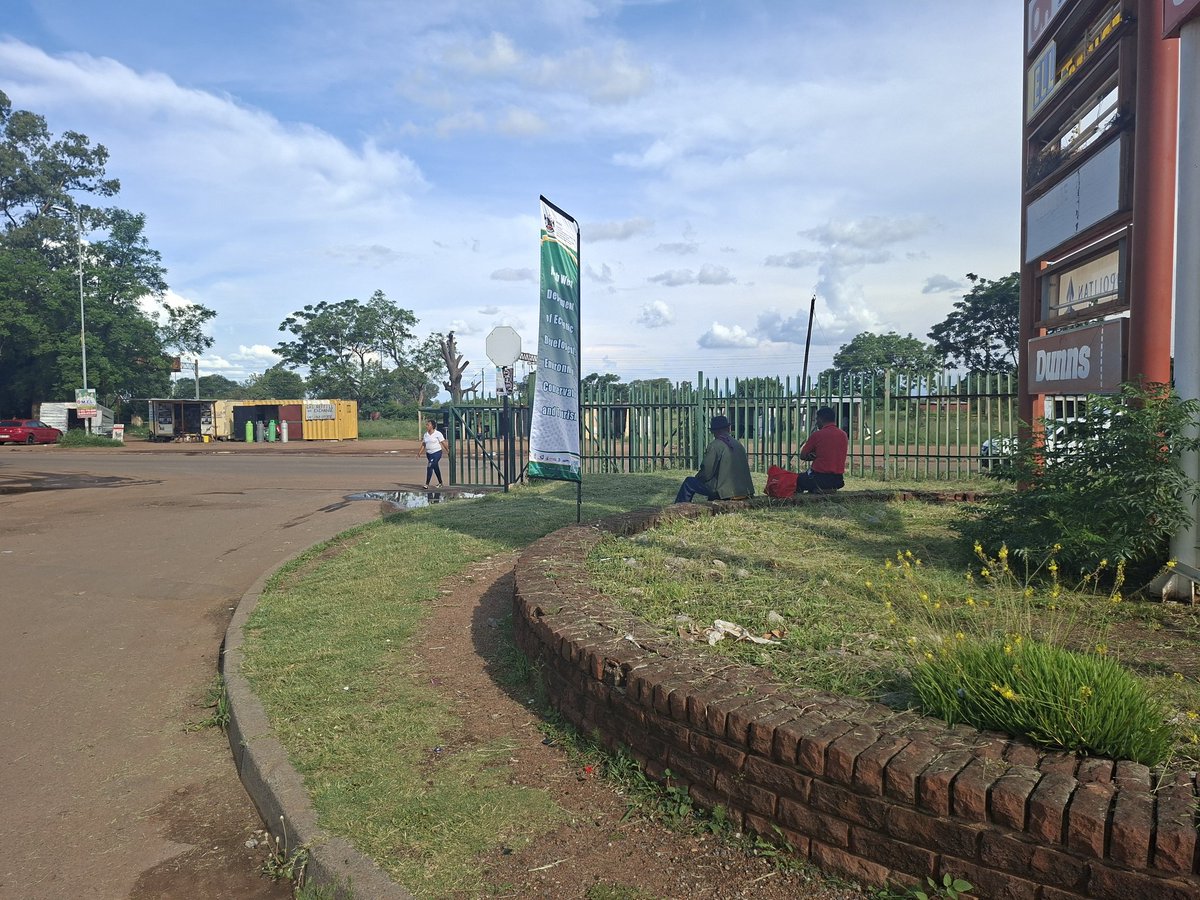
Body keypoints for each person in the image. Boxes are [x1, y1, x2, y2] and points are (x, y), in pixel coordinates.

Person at [675, 415, 755, 503]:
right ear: (728, 428)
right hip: (745, 491)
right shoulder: (738, 444)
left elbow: (706, 472)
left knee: (689, 482)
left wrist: (697, 480)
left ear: (713, 431)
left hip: (726, 494)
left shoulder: (715, 445)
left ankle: (679, 506)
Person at [796, 406, 847, 493]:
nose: (816, 422)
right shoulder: (843, 435)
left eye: (817, 419)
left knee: (795, 480)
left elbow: (802, 456)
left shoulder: (817, 435)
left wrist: (810, 456)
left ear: (821, 419)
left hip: (819, 478)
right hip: (838, 480)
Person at [419, 419, 448, 488]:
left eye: (428, 425)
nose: (426, 426)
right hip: (429, 453)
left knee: (430, 466)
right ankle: (440, 483)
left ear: (432, 426)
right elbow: (424, 444)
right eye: (426, 425)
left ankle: (427, 484)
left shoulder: (438, 433)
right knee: (435, 467)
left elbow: (443, 443)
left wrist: (448, 450)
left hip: (437, 453)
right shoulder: (426, 434)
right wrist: (419, 452)